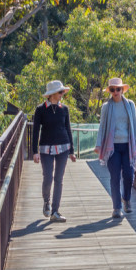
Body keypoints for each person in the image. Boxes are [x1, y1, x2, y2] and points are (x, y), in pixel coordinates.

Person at [94, 78, 136, 218]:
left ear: (122, 90)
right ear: (109, 91)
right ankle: (117, 207)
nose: (115, 92)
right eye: (112, 89)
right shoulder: (106, 107)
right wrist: (98, 145)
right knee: (114, 176)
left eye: (118, 89)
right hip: (112, 147)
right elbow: (102, 127)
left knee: (129, 174)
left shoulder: (130, 105)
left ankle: (126, 198)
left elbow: (134, 124)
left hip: (128, 145)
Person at [32, 80, 76, 223]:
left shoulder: (64, 109)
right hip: (46, 148)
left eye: (63, 91)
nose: (62, 94)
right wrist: (35, 151)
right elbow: (35, 131)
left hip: (63, 147)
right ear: (51, 95)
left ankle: (55, 211)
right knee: (48, 177)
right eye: (60, 92)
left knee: (59, 179)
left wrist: (72, 151)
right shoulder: (40, 110)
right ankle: (47, 202)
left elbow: (68, 128)